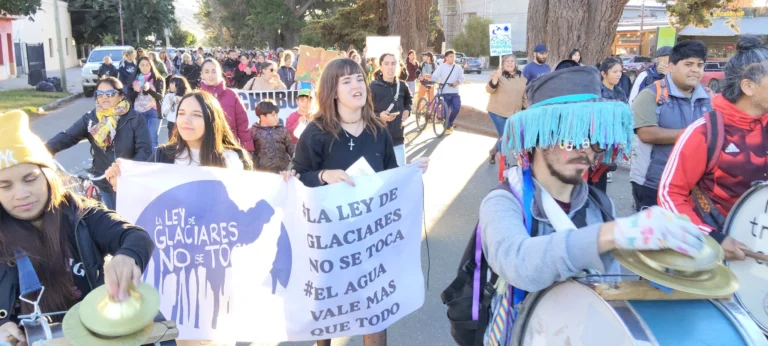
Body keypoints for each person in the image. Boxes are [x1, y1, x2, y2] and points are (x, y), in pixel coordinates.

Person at [477, 66, 704, 343]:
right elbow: (519, 264)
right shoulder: (503, 201)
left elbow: (611, 286)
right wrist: (612, 234)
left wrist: (664, 264)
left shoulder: (600, 204)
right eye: (573, 136)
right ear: (540, 136)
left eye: (593, 138)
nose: (585, 149)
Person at [293, 58, 428, 346]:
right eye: (347, 81)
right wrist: (323, 175)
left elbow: (389, 177)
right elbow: (297, 178)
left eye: (358, 79)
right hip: (330, 240)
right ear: (332, 90)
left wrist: (409, 174)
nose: (356, 85)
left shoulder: (378, 131)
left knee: (375, 311)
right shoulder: (315, 132)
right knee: (328, 313)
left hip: (371, 237)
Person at [0, 110, 158, 345]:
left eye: (30, 179)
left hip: (92, 337)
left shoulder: (80, 214)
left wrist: (127, 256)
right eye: (5, 186)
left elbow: (134, 236)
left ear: (48, 176)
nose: (21, 194)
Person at [658, 36, 768, 260]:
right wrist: (711, 237)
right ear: (748, 86)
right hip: (716, 256)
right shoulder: (704, 132)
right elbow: (670, 194)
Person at [105, 90, 254, 193]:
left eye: (196, 115)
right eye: (181, 113)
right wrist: (121, 182)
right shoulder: (162, 156)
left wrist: (277, 187)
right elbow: (143, 194)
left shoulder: (235, 159)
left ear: (212, 121)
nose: (186, 121)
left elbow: (253, 200)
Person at [45, 77, 152, 210]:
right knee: (112, 221)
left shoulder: (134, 118)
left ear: (120, 95)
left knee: (131, 221)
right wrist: (42, 150)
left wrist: (126, 170)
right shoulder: (91, 119)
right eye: (100, 94)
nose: (104, 97)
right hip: (104, 182)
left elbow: (145, 150)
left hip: (128, 182)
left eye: (110, 93)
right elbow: (68, 136)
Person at [630, 40, 711, 211]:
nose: (695, 70)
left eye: (699, 65)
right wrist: (693, 134)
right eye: (688, 64)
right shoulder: (652, 94)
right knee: (654, 236)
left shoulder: (710, 97)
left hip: (694, 186)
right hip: (653, 183)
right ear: (672, 66)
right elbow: (646, 133)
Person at [199, 58, 254, 152]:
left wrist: (247, 149)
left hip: (230, 147)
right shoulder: (196, 97)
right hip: (204, 148)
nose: (211, 75)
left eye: (214, 71)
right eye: (207, 72)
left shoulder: (232, 95)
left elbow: (242, 125)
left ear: (220, 72)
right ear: (202, 74)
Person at [371, 53, 413, 167]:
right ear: (380, 66)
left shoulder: (403, 86)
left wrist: (407, 110)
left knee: (399, 176)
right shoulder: (372, 87)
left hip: (398, 139)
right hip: (377, 141)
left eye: (393, 63)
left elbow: (409, 100)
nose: (390, 67)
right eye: (387, 64)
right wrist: (379, 115)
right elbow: (364, 112)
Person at [486, 54, 527, 164]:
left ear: (515, 64)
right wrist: (495, 77)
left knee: (506, 136)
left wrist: (526, 110)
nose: (509, 63)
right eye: (507, 61)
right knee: (504, 136)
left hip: (514, 113)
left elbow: (524, 97)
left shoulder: (522, 78)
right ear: (503, 64)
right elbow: (489, 89)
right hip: (497, 111)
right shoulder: (498, 75)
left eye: (512, 61)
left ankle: (494, 151)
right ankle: (505, 162)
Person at [128, 56, 166, 152]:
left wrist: (148, 89)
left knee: (152, 139)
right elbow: (130, 98)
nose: (145, 67)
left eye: (147, 65)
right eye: (142, 65)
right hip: (138, 113)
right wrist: (136, 91)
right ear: (138, 67)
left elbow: (160, 96)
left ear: (151, 66)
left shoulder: (158, 79)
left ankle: (153, 161)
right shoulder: (134, 79)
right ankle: (143, 160)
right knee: (140, 139)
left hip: (153, 112)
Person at [249, 100, 295, 173]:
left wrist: (295, 154)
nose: (276, 117)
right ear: (263, 117)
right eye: (273, 115)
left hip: (283, 172)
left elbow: (290, 145)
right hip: (262, 174)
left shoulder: (282, 129)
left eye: (277, 114)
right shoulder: (253, 131)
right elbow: (248, 152)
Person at [430, 50, 464, 134]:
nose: (452, 58)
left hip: (454, 92)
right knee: (445, 110)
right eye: (450, 56)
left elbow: (462, 78)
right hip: (444, 92)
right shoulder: (442, 66)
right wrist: (431, 81)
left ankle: (450, 122)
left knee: (457, 108)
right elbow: (435, 76)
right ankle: (447, 127)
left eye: (453, 56)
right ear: (446, 57)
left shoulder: (458, 67)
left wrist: (458, 82)